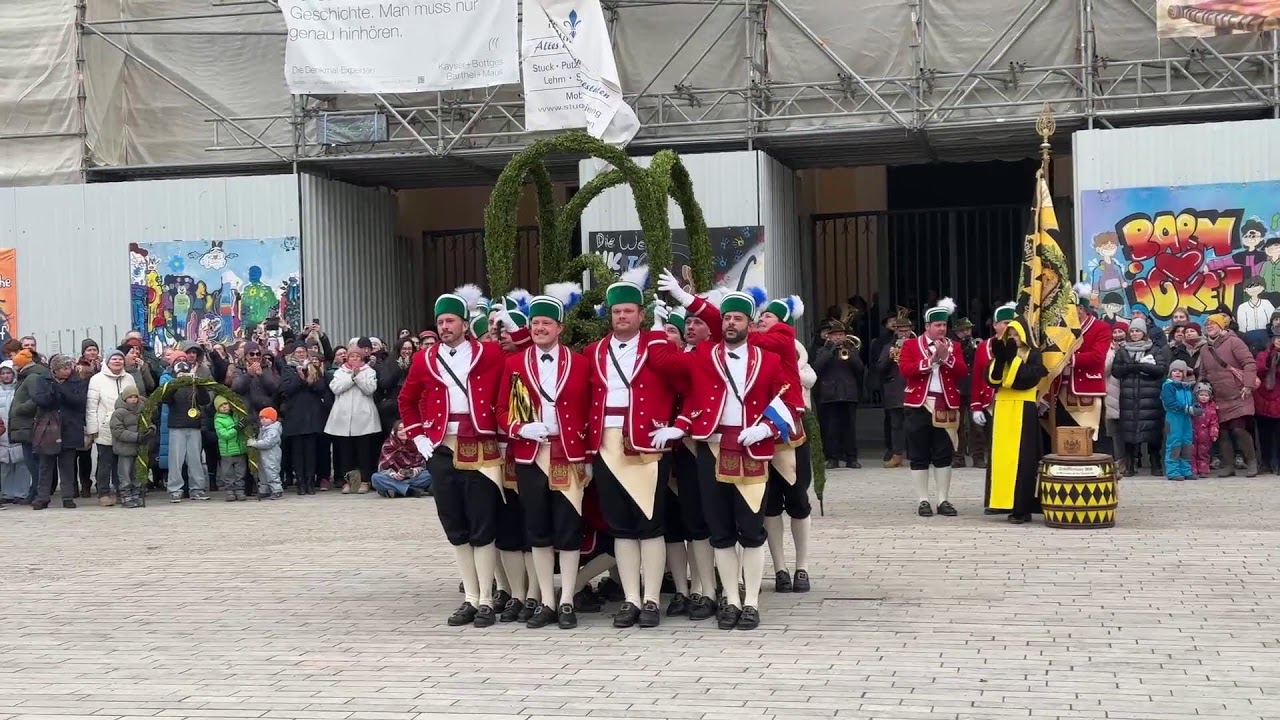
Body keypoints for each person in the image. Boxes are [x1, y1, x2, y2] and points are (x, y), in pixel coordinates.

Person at [398, 284, 527, 628]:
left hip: (482, 447)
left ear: (465, 323)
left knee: (483, 524)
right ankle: (470, 596)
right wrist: (418, 436)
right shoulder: (423, 359)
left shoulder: (489, 353)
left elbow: (524, 357)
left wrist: (514, 327)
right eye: (440, 321)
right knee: (455, 525)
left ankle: (487, 598)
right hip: (441, 447)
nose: (444, 327)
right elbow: (406, 401)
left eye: (451, 321)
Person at [661, 289, 789, 631]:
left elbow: (789, 400)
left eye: (738, 318)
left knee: (750, 530)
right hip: (712, 448)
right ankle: (730, 599)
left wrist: (765, 428)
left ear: (750, 323)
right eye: (727, 317)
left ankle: (751, 602)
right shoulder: (704, 354)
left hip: (751, 449)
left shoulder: (769, 360)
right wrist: (680, 427)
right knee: (719, 531)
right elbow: (684, 388)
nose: (731, 323)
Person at [581, 267, 684, 630]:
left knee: (650, 526)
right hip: (606, 446)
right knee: (621, 527)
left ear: (641, 315)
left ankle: (652, 599)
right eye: (616, 312)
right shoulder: (593, 351)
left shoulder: (658, 348)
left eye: (628, 311)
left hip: (646, 444)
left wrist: (678, 426)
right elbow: (584, 400)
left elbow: (689, 381)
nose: (622, 316)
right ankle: (630, 599)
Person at [497, 282, 591, 630]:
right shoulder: (515, 363)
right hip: (531, 453)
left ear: (559, 328)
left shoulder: (579, 363)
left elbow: (589, 408)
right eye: (535, 323)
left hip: (568, 453)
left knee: (568, 527)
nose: (539, 328)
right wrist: (520, 429)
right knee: (537, 528)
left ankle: (566, 599)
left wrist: (590, 456)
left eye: (546, 323)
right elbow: (504, 410)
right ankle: (546, 602)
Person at [898, 297, 968, 517]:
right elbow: (905, 370)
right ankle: (923, 500)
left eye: (944, 325)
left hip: (944, 404)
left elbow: (962, 372)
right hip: (918, 405)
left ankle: (943, 500)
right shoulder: (911, 345)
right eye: (937, 325)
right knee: (918, 454)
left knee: (943, 453)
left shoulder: (954, 345)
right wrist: (931, 361)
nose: (942, 329)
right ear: (927, 326)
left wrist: (946, 358)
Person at [983, 315, 1048, 523]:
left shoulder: (1034, 354)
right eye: (1009, 334)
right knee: (1001, 457)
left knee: (1023, 459)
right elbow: (992, 380)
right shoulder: (1002, 354)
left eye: (1016, 334)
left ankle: (1022, 507)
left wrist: (1014, 361)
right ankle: (1000, 502)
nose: (1012, 338)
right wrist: (1002, 360)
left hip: (1023, 408)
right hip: (1002, 409)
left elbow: (1029, 379)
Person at [1199, 313, 1258, 477]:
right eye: (1207, 324)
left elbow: (1249, 363)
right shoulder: (1205, 349)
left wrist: (1248, 385)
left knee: (1238, 430)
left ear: (1222, 326)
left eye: (1213, 324)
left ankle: (1252, 462)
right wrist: (1200, 390)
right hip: (1218, 397)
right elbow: (1203, 373)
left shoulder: (1234, 342)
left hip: (1239, 394)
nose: (1209, 327)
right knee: (1222, 433)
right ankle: (1228, 465)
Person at [1111, 317, 1170, 477]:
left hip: (1150, 397)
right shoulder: (1123, 351)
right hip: (1129, 397)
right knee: (1129, 432)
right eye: (1133, 331)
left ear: (1144, 333)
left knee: (1153, 432)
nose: (1135, 333)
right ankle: (1130, 464)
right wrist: (1130, 367)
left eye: (1138, 331)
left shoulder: (1154, 349)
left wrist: (1143, 366)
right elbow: (1116, 371)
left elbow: (1161, 369)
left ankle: (1155, 464)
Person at [31, 355, 90, 510]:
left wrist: (62, 391)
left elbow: (79, 402)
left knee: (67, 466)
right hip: (48, 428)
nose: (67, 371)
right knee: (46, 466)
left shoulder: (78, 381)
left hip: (69, 427)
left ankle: (68, 497)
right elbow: (39, 400)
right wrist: (52, 393)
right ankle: (42, 497)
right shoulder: (42, 380)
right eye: (64, 368)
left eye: (69, 367)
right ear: (55, 370)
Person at [325, 341, 382, 494]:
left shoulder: (369, 371)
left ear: (362, 358)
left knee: (364, 451)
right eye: (352, 356)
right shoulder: (340, 372)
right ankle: (348, 482)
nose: (355, 359)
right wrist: (351, 378)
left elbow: (370, 389)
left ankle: (364, 481)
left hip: (363, 418)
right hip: (343, 419)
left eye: (358, 356)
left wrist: (358, 376)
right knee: (345, 452)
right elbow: (335, 388)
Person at [973, 303, 1014, 510]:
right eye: (1005, 323)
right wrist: (976, 406)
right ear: (995, 325)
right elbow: (977, 379)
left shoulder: (1023, 345)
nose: (1008, 326)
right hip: (992, 405)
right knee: (994, 454)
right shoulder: (983, 347)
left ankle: (1016, 498)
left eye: (1011, 322)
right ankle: (994, 500)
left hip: (1016, 405)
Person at [86, 349, 138, 506]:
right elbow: (91, 406)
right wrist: (92, 428)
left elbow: (135, 401)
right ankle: (103, 492)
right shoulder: (97, 379)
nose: (117, 361)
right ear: (107, 362)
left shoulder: (129, 378)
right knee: (105, 462)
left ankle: (121, 491)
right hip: (105, 427)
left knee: (122, 462)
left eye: (120, 359)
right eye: (114, 359)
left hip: (126, 427)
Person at [813, 319, 864, 470]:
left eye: (841, 335)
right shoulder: (822, 351)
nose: (838, 338)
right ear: (828, 336)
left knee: (850, 428)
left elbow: (860, 368)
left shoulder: (851, 349)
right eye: (835, 335)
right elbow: (817, 367)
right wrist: (831, 350)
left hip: (848, 393)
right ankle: (832, 458)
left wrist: (850, 352)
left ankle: (851, 458)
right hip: (829, 394)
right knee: (831, 429)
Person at [159, 359, 212, 502]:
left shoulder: (194, 385)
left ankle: (197, 489)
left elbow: (205, 401)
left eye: (185, 372)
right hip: (176, 427)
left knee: (195, 459)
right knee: (175, 460)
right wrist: (175, 384)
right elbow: (165, 399)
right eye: (180, 372)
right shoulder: (171, 384)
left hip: (194, 426)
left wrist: (199, 384)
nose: (183, 375)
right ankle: (175, 489)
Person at [279, 343, 327, 495]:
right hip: (295, 415)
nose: (300, 354)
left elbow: (321, 388)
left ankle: (310, 482)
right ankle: (300, 482)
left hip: (311, 414)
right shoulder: (288, 369)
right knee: (297, 452)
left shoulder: (313, 367)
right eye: (298, 352)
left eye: (303, 352)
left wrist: (308, 377)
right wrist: (299, 378)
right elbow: (286, 390)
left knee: (311, 451)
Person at [877, 310, 913, 468]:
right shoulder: (888, 347)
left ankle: (917, 454)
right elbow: (879, 369)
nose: (903, 333)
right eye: (900, 330)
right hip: (895, 389)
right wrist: (889, 358)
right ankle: (897, 455)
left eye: (906, 330)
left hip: (914, 388)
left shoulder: (918, 344)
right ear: (895, 331)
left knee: (916, 424)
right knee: (896, 425)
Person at [107, 385, 148, 508]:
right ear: (125, 398)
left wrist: (150, 431)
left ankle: (136, 494)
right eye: (130, 397)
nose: (133, 399)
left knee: (136, 474)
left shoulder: (142, 410)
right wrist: (135, 436)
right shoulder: (119, 413)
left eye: (135, 397)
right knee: (125, 475)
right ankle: (126, 496)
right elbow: (118, 431)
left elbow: (149, 422)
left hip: (139, 449)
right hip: (125, 449)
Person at [371, 421, 432, 498]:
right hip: (393, 478)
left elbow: (422, 466)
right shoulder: (388, 446)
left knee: (430, 474)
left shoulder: (416, 444)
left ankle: (398, 490)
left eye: (406, 429)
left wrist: (413, 472)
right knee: (376, 478)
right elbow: (382, 469)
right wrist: (394, 475)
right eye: (400, 429)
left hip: (412, 478)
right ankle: (409, 491)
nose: (404, 431)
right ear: (395, 432)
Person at [1161, 360, 1198, 482]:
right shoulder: (1168, 386)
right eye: (1175, 371)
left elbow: (1191, 401)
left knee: (1187, 442)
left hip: (1185, 417)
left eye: (1180, 371)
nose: (1177, 373)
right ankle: (1172, 470)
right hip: (1173, 417)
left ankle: (1185, 469)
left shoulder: (1186, 387)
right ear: (1170, 373)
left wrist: (1196, 407)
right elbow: (1170, 403)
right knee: (1174, 443)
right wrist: (1187, 408)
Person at [0, 361, 31, 504]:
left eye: (8, 373)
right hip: (2, 432)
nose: (6, 376)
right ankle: (7, 493)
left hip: (17, 429)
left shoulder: (20, 389)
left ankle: (21, 492)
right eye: (3, 373)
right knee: (5, 465)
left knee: (21, 463)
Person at [1252, 329, 1280, 474]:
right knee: (1264, 435)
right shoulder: (1264, 354)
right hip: (1264, 398)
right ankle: (1265, 462)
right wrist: (1270, 360)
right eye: (1277, 338)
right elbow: (1258, 369)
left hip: (1278, 398)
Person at [213, 395, 249, 501]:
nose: (224, 407)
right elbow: (224, 435)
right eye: (221, 405)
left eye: (226, 404)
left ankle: (240, 490)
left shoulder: (235, 415)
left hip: (239, 449)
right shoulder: (218, 420)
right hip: (227, 452)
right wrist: (236, 429)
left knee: (240, 471)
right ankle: (230, 491)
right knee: (228, 473)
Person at [248, 407, 284, 499]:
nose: (263, 420)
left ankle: (277, 489)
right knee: (262, 472)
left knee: (272, 471)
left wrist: (255, 444)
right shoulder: (263, 429)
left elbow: (268, 443)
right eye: (261, 418)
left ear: (273, 419)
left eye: (266, 418)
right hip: (263, 455)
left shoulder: (273, 430)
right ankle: (264, 490)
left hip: (271, 455)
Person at [1191, 382, 1219, 479]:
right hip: (1193, 433)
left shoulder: (1212, 408)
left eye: (1206, 395)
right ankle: (1193, 470)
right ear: (1197, 395)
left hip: (1205, 435)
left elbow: (1214, 422)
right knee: (1192, 453)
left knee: (1203, 453)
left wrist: (1214, 433)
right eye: (1201, 395)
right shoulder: (1193, 406)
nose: (1203, 397)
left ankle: (1203, 470)